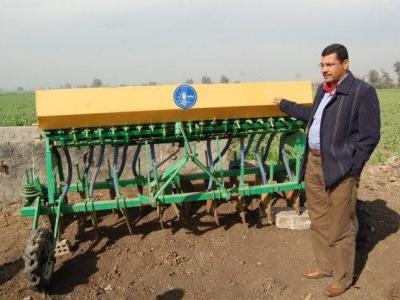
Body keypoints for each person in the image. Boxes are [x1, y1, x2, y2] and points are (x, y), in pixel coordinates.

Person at [273, 44, 380, 297]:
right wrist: (286, 105)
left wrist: (353, 167)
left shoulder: (361, 93)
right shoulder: (324, 91)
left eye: (330, 64)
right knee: (318, 217)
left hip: (341, 167)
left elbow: (370, 136)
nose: (324, 69)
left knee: (341, 224)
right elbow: (314, 115)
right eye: (322, 65)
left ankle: (342, 278)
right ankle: (325, 265)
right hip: (314, 164)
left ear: (345, 64)